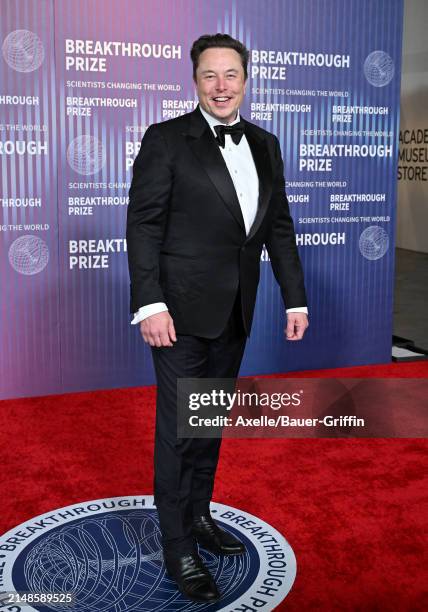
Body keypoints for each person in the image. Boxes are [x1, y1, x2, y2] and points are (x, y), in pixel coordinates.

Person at [126, 33, 309, 603]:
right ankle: (177, 543)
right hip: (177, 312)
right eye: (210, 75)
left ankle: (200, 517)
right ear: (195, 80)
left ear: (247, 79)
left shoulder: (266, 143)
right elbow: (145, 225)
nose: (222, 85)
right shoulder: (166, 140)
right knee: (178, 431)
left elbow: (278, 227)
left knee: (206, 423)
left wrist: (294, 298)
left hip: (236, 309)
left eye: (232, 74)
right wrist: (150, 304)